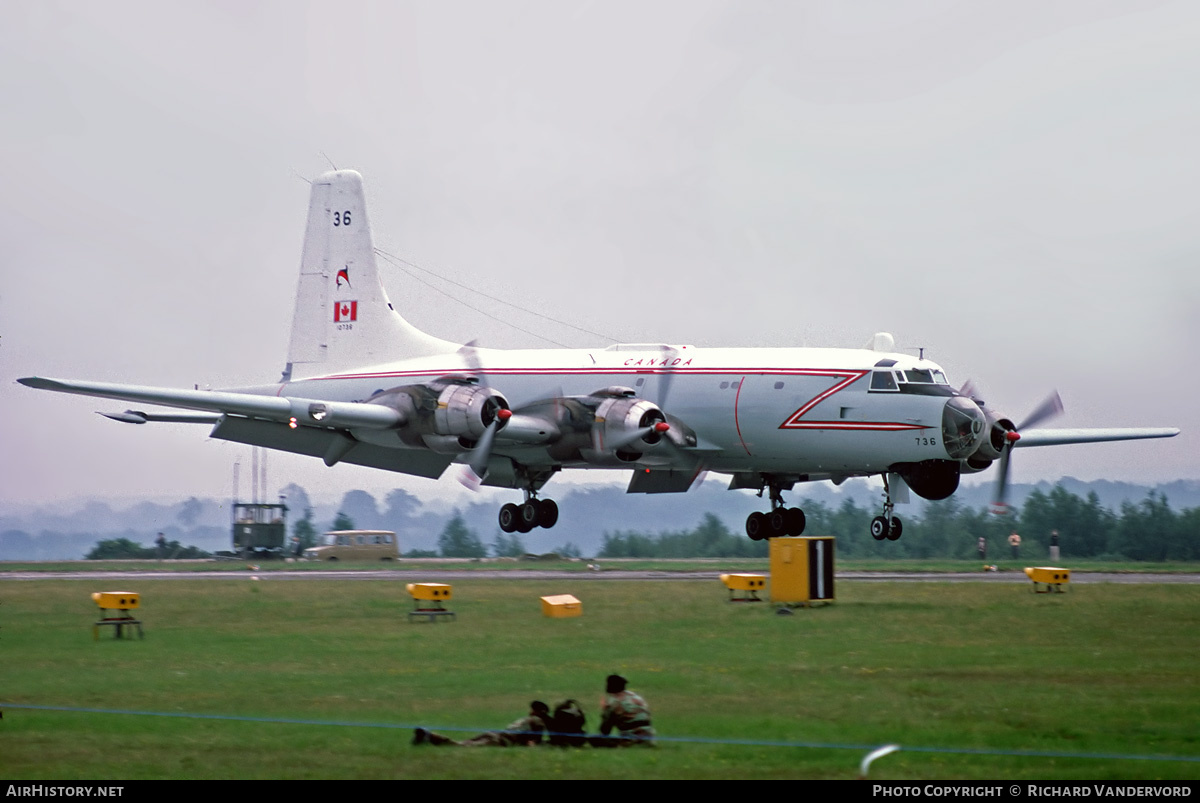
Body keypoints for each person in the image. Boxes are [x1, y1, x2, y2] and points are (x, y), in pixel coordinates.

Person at [413, 701, 549, 747]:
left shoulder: (524, 719)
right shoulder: (538, 722)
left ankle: (429, 738)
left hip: (494, 734)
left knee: (463, 744)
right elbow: (533, 742)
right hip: (501, 741)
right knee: (460, 747)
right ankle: (429, 736)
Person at [595, 674, 654, 747]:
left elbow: (605, 731)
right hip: (649, 740)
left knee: (595, 740)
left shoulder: (614, 703)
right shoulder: (636, 697)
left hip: (631, 742)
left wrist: (605, 710)